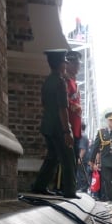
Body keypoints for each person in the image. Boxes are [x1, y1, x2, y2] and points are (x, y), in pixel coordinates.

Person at [31, 48, 78, 199]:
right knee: (68, 158)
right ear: (60, 65)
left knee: (52, 157)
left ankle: (40, 185)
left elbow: (44, 103)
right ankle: (70, 191)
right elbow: (62, 108)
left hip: (47, 125)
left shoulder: (47, 81)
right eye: (64, 63)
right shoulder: (60, 82)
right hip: (58, 126)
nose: (66, 65)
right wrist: (67, 131)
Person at [89, 111, 112, 203]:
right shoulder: (101, 132)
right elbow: (95, 147)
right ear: (107, 121)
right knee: (107, 180)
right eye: (111, 120)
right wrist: (92, 162)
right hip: (105, 160)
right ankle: (109, 197)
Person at [76, 121, 90, 192]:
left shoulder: (83, 136)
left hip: (82, 158)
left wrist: (79, 158)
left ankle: (83, 188)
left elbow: (83, 149)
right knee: (81, 173)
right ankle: (82, 187)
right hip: (84, 158)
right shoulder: (84, 135)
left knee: (82, 173)